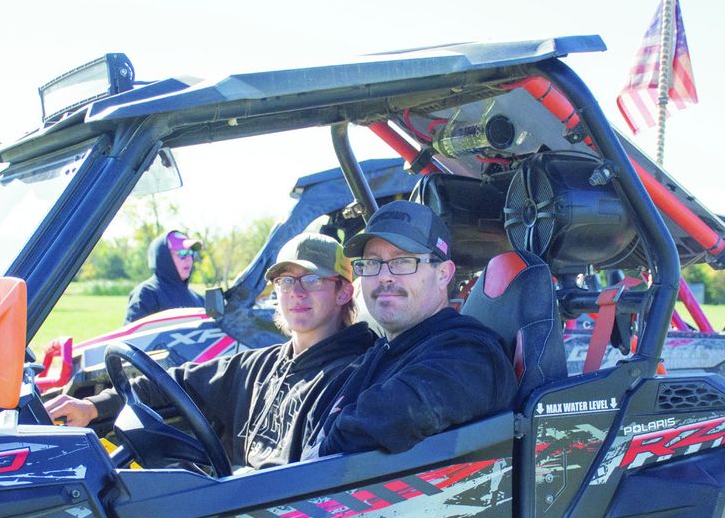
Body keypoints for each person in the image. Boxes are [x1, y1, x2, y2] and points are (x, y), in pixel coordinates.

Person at [46, 233, 377, 469]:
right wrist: (93, 407)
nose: (296, 292)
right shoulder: (261, 365)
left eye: (312, 279)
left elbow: (315, 476)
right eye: (286, 281)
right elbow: (176, 382)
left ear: (344, 292)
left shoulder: (355, 376)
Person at [303, 200, 517, 457]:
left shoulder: (472, 354)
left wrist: (321, 454)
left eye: (403, 261)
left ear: (443, 274)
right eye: (372, 263)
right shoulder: (379, 353)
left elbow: (402, 411)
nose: (384, 276)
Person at [124, 230, 205, 323]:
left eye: (191, 253)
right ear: (165, 258)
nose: (189, 259)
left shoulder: (199, 299)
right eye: (182, 253)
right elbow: (134, 331)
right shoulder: (147, 294)